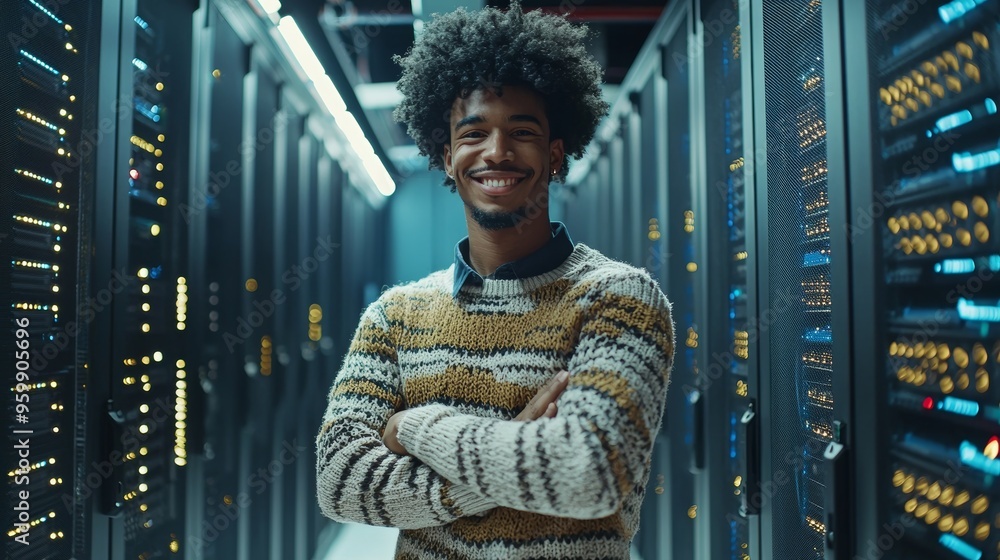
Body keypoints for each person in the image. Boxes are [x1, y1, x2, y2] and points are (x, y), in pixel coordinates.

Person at [315, 2, 674, 558]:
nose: (497, 152)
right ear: (448, 155)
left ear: (556, 155)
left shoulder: (619, 299)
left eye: (522, 131)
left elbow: (586, 474)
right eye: (474, 132)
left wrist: (414, 427)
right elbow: (339, 481)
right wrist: (518, 454)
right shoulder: (395, 316)